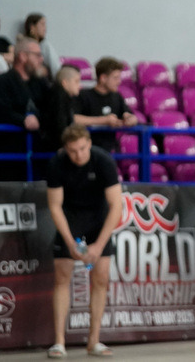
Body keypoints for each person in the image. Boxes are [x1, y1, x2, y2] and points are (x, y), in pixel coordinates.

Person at [46, 124, 123, 359]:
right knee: (62, 277)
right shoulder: (57, 163)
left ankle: (94, 341)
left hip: (98, 221)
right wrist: (70, 242)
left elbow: (116, 206)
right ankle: (59, 342)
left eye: (82, 149)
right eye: (72, 151)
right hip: (70, 220)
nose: (78, 155)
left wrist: (99, 245)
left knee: (100, 278)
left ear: (89, 143)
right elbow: (55, 206)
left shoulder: (103, 161)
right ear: (65, 149)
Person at [0, 36, 46, 180]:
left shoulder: (40, 83)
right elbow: (0, 112)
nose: (41, 59)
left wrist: (38, 119)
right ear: (23, 56)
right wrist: (23, 120)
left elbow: (50, 108)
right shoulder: (3, 82)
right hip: (9, 153)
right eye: (37, 55)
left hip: (36, 152)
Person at [75, 57, 138, 152]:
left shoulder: (117, 96)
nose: (119, 81)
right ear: (103, 78)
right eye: (115, 78)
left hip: (110, 150)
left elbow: (129, 114)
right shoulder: (84, 95)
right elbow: (74, 119)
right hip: (87, 150)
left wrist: (130, 119)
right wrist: (103, 120)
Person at [41, 65, 81, 153]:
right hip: (53, 148)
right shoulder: (58, 97)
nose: (80, 86)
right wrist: (62, 145)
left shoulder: (61, 96)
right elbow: (59, 123)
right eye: (76, 81)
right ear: (65, 82)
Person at [23, 12, 61, 77]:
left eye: (45, 25)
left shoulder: (45, 45)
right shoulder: (22, 45)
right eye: (42, 24)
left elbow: (56, 68)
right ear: (32, 27)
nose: (45, 29)